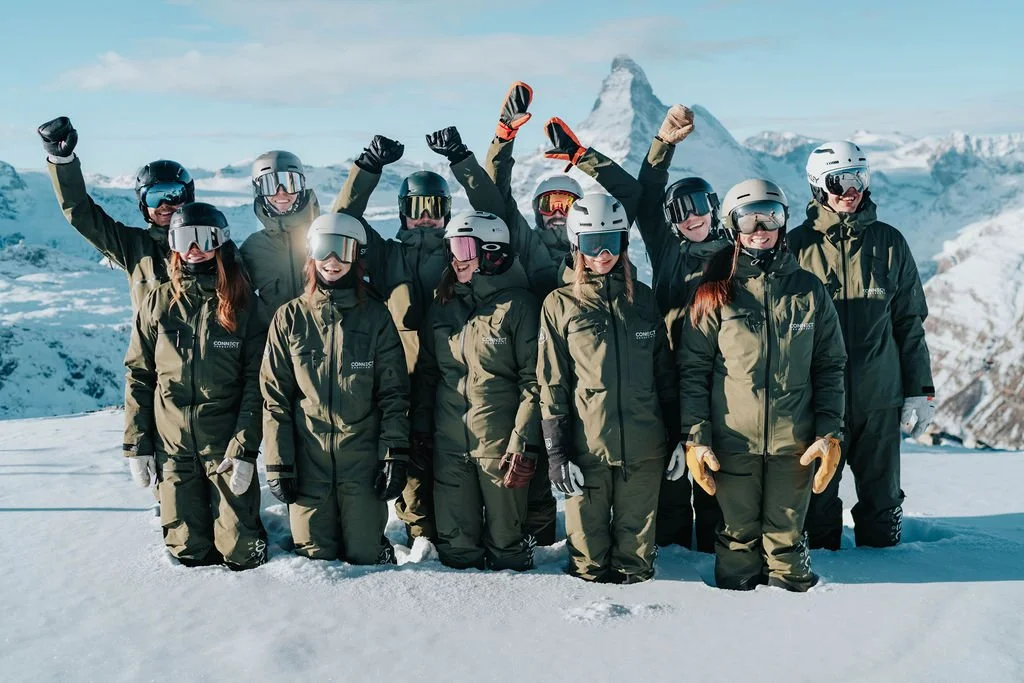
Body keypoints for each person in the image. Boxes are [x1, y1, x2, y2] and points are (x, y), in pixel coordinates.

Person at [542, 108, 731, 552]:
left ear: (715, 207)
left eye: (700, 206)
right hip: (666, 373)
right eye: (681, 212)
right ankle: (670, 558)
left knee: (714, 480)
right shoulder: (668, 249)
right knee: (665, 487)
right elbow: (643, 192)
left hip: (721, 380)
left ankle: (710, 554)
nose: (692, 218)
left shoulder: (739, 255)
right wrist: (654, 147)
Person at [330, 127, 511, 546]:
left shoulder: (461, 253)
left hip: (455, 385)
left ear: (447, 212)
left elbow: (496, 214)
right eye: (417, 207)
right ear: (402, 212)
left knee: (456, 473)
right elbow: (343, 223)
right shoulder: (386, 254)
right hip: (401, 384)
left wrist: (462, 160)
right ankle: (420, 543)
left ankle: (465, 540)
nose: (426, 216)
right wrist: (367, 167)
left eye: (434, 208)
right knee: (411, 478)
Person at [677, 179, 847, 591]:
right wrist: (696, 438)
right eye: (748, 217)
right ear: (733, 225)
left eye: (770, 215)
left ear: (783, 221)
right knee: (735, 542)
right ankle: (735, 637)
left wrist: (828, 432)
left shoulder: (809, 292)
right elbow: (693, 371)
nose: (760, 227)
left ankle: (798, 635)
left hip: (796, 446)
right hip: (732, 444)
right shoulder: (715, 294)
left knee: (787, 545)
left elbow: (830, 366)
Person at [788, 141, 935, 549]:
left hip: (879, 397)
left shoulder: (889, 243)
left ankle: (888, 576)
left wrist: (919, 390)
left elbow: (909, 323)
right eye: (839, 181)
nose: (851, 190)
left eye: (859, 178)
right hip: (818, 403)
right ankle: (826, 587)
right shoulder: (796, 248)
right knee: (817, 501)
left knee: (882, 500)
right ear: (818, 186)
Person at [537, 193, 678, 584]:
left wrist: (678, 435)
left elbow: (664, 374)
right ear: (575, 246)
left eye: (612, 242)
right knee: (587, 560)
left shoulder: (643, 298)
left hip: (644, 449)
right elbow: (552, 383)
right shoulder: (560, 305)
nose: (603, 254)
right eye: (591, 244)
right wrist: (557, 452)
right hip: (587, 451)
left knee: (636, 562)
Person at [123, 202, 267, 570]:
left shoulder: (243, 305)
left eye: (204, 237)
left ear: (220, 242)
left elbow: (257, 382)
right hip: (172, 448)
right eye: (183, 237)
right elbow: (139, 375)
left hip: (224, 448)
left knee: (240, 552)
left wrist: (245, 447)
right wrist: (137, 444)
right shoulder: (158, 303)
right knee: (186, 550)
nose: (193, 247)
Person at [260, 212, 410, 565]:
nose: (332, 261)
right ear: (311, 254)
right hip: (308, 462)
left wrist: (394, 454)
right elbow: (275, 398)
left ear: (357, 256)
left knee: (364, 555)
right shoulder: (290, 318)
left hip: (361, 463)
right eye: (324, 249)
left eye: (342, 250)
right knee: (315, 557)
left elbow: (394, 394)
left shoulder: (375, 317)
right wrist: (279, 462)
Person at [413, 210, 541, 570]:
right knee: (456, 549)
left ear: (492, 252)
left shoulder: (518, 306)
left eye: (465, 247)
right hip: (449, 445)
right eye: (452, 247)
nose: (457, 257)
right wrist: (422, 429)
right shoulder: (443, 306)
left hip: (500, 449)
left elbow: (534, 382)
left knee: (507, 546)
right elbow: (428, 374)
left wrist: (523, 442)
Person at [37, 116, 195, 311]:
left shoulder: (210, 244)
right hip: (151, 342)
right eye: (153, 197)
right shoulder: (132, 246)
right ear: (143, 205)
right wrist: (62, 161)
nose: (164, 205)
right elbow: (81, 214)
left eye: (172, 194)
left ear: (188, 197)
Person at [240, 150, 321, 312]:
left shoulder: (321, 235)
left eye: (291, 182)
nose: (281, 191)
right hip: (272, 336)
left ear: (302, 187)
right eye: (270, 184)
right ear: (258, 190)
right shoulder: (254, 248)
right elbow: (236, 299)